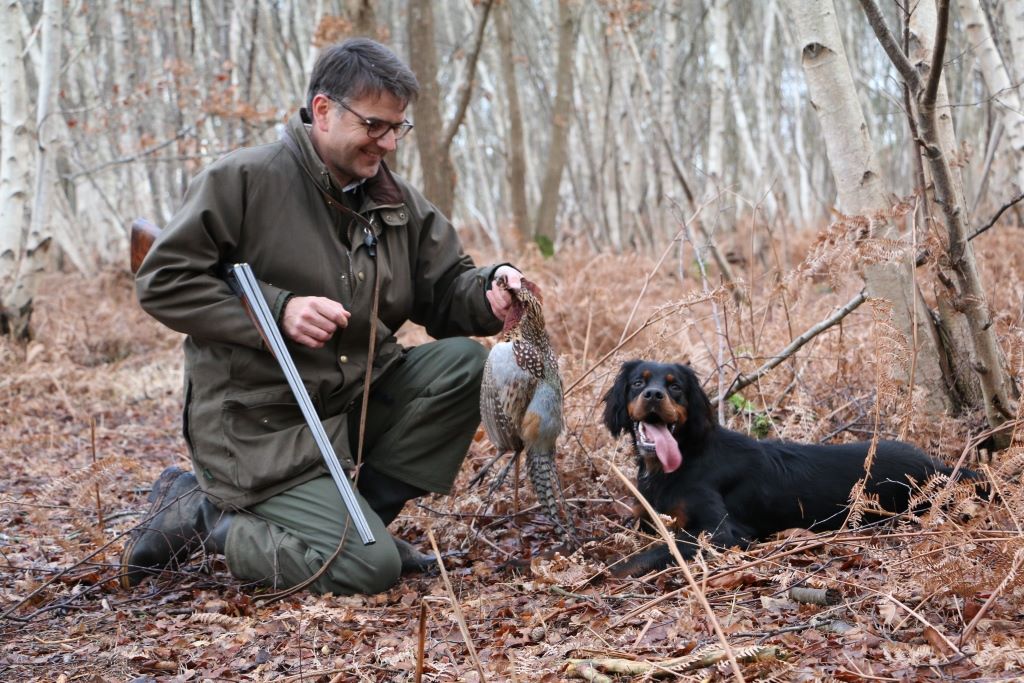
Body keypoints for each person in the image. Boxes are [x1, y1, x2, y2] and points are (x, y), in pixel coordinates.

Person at [122, 38, 524, 595]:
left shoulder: (395, 202)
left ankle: (363, 520)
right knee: (369, 569)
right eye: (375, 125)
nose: (387, 142)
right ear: (323, 110)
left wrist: (490, 289)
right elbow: (164, 281)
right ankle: (202, 515)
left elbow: (446, 288)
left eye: (397, 129)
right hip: (260, 427)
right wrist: (276, 311)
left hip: (349, 408)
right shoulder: (243, 180)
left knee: (461, 364)